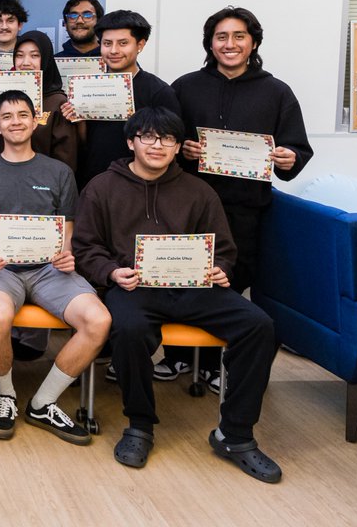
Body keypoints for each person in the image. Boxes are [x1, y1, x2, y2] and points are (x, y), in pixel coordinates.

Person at [73, 107, 281, 483]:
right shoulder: (101, 188)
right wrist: (111, 272)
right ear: (131, 142)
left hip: (194, 288)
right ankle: (139, 426)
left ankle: (235, 434)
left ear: (176, 146)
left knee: (259, 325)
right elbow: (86, 247)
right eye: (148, 137)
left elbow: (224, 247)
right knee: (130, 329)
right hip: (133, 287)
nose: (158, 145)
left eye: (167, 138)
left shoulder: (199, 191)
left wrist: (222, 269)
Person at [169, 6, 313, 386]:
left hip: (244, 209)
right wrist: (182, 148)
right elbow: (163, 138)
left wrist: (288, 157)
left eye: (238, 37)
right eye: (221, 37)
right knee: (178, 275)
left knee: (228, 282)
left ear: (253, 42)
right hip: (187, 205)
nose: (229, 44)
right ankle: (178, 356)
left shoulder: (276, 92)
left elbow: (298, 150)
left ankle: (217, 363)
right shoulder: (184, 86)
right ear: (210, 43)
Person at [0, 89, 110, 446]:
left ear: (35, 120)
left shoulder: (59, 172)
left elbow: (68, 231)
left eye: (23, 115)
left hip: (49, 271)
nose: (16, 122)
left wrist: (66, 256)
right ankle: (5, 397)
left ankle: (43, 402)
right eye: (7, 117)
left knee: (99, 320)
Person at [66, 10, 180, 188]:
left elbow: (169, 146)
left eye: (123, 43)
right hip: (95, 182)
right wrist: (77, 120)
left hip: (142, 187)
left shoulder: (159, 92)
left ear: (140, 45)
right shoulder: (87, 87)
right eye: (107, 43)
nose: (113, 50)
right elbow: (85, 143)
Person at [0, 31, 77, 169]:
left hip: (42, 184)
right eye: (20, 55)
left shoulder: (58, 102)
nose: (26, 62)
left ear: (46, 58)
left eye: (34, 55)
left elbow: (66, 158)